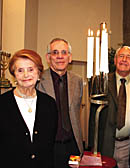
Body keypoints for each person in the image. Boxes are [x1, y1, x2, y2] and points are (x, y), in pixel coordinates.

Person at [88, 46, 130, 168]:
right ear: (115, 60)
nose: (124, 60)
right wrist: (92, 145)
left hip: (129, 144)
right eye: (121, 56)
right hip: (105, 143)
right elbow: (93, 116)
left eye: (129, 57)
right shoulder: (101, 81)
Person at [0, 49, 58, 168]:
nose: (26, 75)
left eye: (31, 69)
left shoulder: (49, 104)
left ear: (38, 72)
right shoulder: (2, 103)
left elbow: (50, 144)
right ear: (14, 75)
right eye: (20, 70)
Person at [36, 38, 83, 168]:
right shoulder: (38, 80)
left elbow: (76, 111)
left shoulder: (78, 81)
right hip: (49, 146)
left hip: (73, 145)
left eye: (64, 52)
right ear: (48, 57)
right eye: (55, 52)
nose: (60, 56)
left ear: (70, 57)